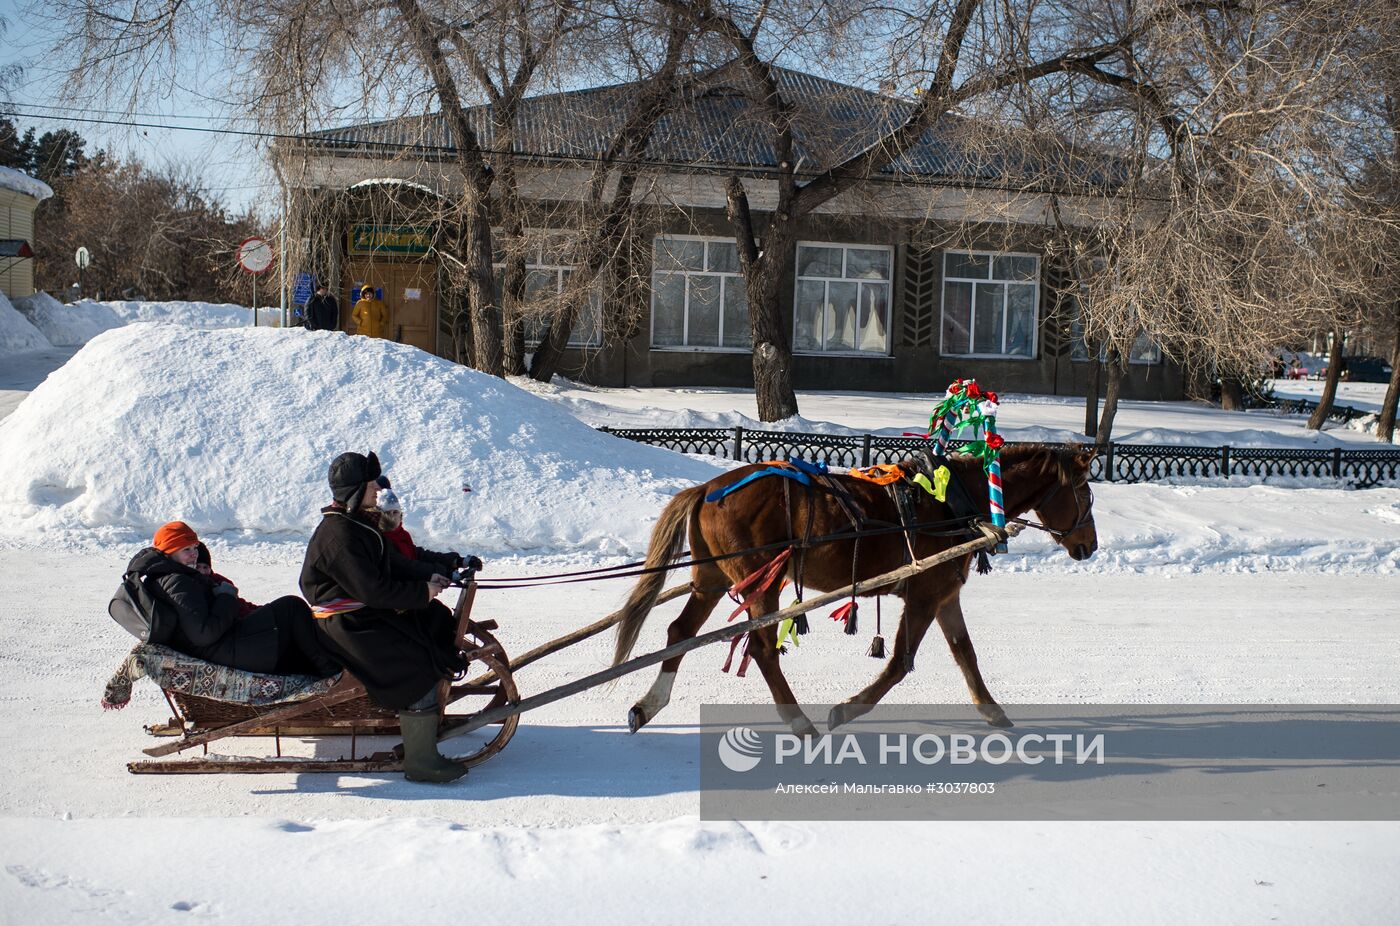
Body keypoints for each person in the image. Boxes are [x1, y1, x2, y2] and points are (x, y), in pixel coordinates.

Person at [300, 452, 477, 783]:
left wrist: (436, 574)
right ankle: (421, 762)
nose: (375, 493)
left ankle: (424, 723)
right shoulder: (339, 535)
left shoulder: (356, 525)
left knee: (430, 626)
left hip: (360, 616)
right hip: (346, 626)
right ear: (353, 491)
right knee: (417, 663)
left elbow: (394, 563)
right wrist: (420, 591)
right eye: (369, 486)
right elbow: (374, 590)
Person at [126, 521, 340, 677]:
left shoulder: (171, 577)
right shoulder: (176, 582)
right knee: (291, 607)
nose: (194, 555)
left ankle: (330, 669)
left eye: (194, 548)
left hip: (226, 645)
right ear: (169, 552)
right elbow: (204, 634)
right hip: (223, 651)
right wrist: (226, 597)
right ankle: (331, 674)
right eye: (186, 550)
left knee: (290, 629)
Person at [370, 481, 482, 576]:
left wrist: (458, 561)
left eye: (395, 512)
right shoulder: (381, 539)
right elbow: (406, 565)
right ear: (381, 516)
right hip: (397, 595)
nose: (393, 517)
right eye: (388, 513)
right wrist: (447, 573)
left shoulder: (401, 535)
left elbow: (418, 555)